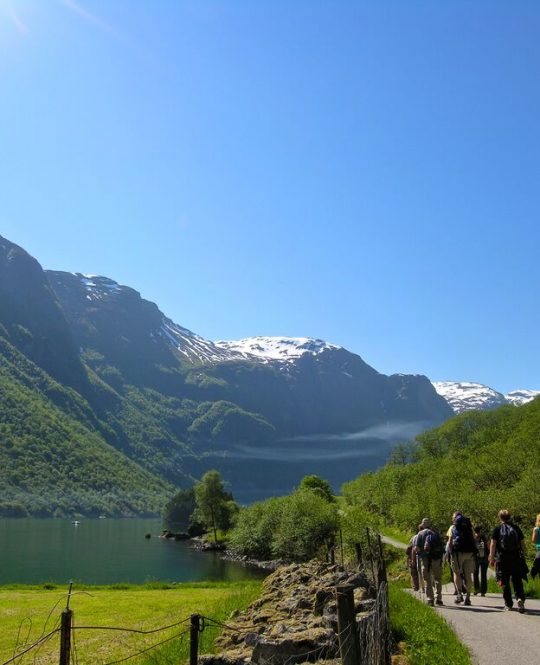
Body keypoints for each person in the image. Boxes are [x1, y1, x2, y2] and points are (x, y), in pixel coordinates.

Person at [489, 509, 526, 613]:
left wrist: (491, 557)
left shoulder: (497, 529)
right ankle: (519, 598)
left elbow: (493, 544)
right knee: (517, 580)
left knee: (504, 581)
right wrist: (524, 554)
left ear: (500, 518)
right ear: (509, 517)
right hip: (515, 558)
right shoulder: (516, 528)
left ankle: (508, 604)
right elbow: (522, 543)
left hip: (502, 559)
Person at [414, 518, 444, 606]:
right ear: (429, 524)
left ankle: (430, 599)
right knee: (437, 578)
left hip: (425, 559)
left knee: (427, 580)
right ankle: (438, 598)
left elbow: (416, 548)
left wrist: (420, 555)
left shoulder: (420, 533)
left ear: (423, 525)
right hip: (436, 559)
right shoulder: (435, 533)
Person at [448, 511, 476, 606]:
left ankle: (459, 594)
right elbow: (474, 539)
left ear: (455, 518)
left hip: (457, 553)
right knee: (468, 576)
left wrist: (450, 552)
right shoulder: (469, 527)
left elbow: (450, 542)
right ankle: (468, 598)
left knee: (457, 573)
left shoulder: (453, 527)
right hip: (469, 553)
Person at [473, 525, 488, 596]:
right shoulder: (484, 537)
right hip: (484, 558)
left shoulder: (474, 537)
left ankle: (476, 589)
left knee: (475, 574)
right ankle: (483, 591)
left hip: (476, 558)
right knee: (483, 575)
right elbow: (487, 547)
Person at [531, 513, 540, 580]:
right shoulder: (536, 529)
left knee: (537, 563)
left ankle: (533, 573)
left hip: (539, 549)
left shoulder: (536, 529)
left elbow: (533, 540)